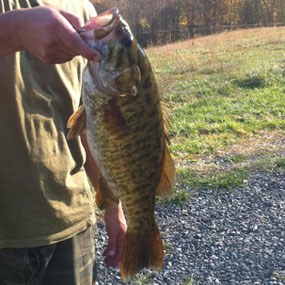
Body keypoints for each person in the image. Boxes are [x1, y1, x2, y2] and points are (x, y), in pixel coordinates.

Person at [0, 1, 127, 284]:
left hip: (72, 225)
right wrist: (14, 31)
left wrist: (112, 207)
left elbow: (92, 120)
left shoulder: (84, 11)